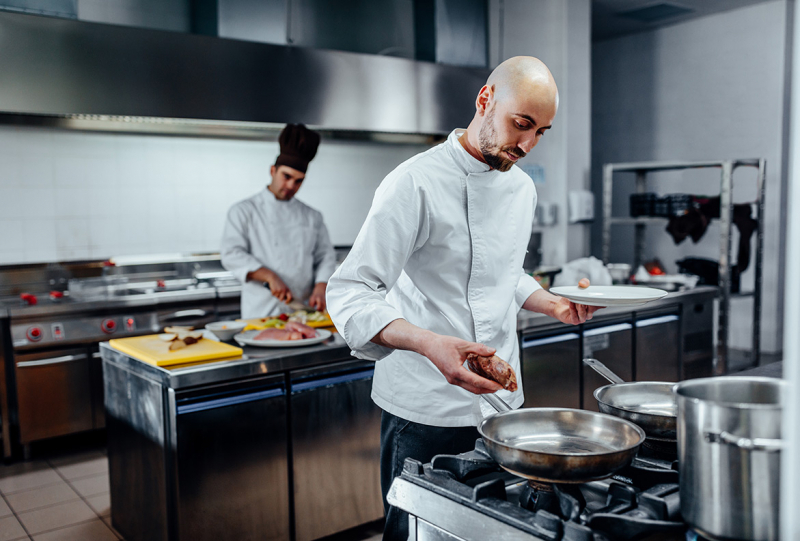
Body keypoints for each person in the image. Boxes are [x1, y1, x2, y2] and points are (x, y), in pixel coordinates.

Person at [325, 56, 602, 541]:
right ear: (485, 100)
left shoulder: (521, 189)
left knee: (496, 531)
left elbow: (503, 273)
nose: (528, 144)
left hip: (501, 406)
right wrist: (432, 344)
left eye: (542, 131)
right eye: (522, 124)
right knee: (415, 533)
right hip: (425, 407)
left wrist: (551, 302)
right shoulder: (413, 182)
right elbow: (350, 291)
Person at [221, 124, 337, 318]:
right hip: (261, 311)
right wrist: (269, 276)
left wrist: (321, 284)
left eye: (299, 180)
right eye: (287, 176)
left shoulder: (312, 216)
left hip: (304, 311)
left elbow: (325, 256)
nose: (291, 185)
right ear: (272, 170)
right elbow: (231, 253)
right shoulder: (243, 211)